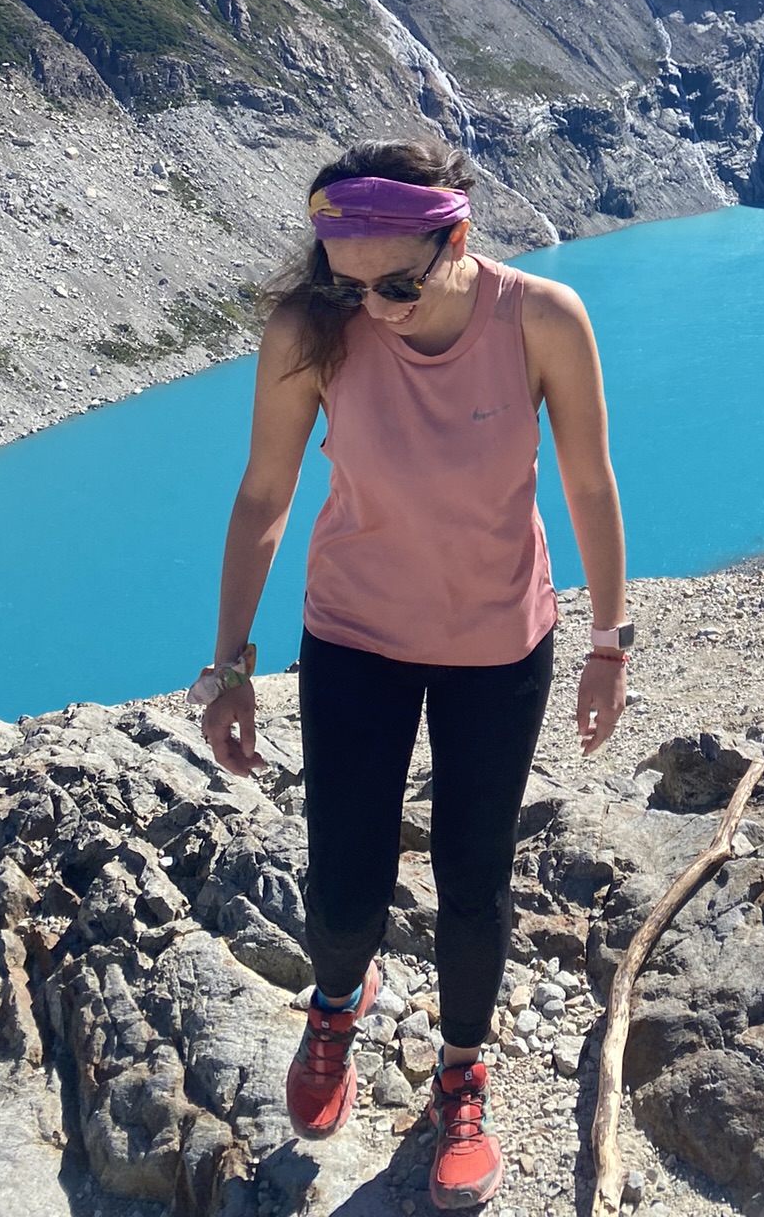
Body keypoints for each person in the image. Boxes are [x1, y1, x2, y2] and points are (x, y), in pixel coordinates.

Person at [190, 137, 631, 1211]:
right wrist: (230, 663)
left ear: (459, 237)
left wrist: (611, 641)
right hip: (354, 637)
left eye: (398, 281)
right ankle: (338, 999)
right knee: (345, 878)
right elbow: (264, 492)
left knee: (474, 882)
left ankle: (461, 1076)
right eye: (351, 282)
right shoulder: (312, 327)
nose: (374, 307)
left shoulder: (542, 319)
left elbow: (587, 479)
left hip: (498, 644)